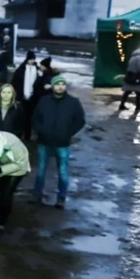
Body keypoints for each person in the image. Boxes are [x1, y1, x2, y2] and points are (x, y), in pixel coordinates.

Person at [30, 74, 86, 208]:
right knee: (41, 170)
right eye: (57, 84)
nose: (60, 87)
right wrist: (40, 130)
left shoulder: (73, 102)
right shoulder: (44, 101)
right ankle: (37, 194)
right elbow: (35, 118)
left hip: (63, 143)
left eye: (63, 84)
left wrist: (68, 133)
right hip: (44, 141)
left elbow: (80, 120)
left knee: (63, 172)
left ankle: (61, 197)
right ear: (53, 86)